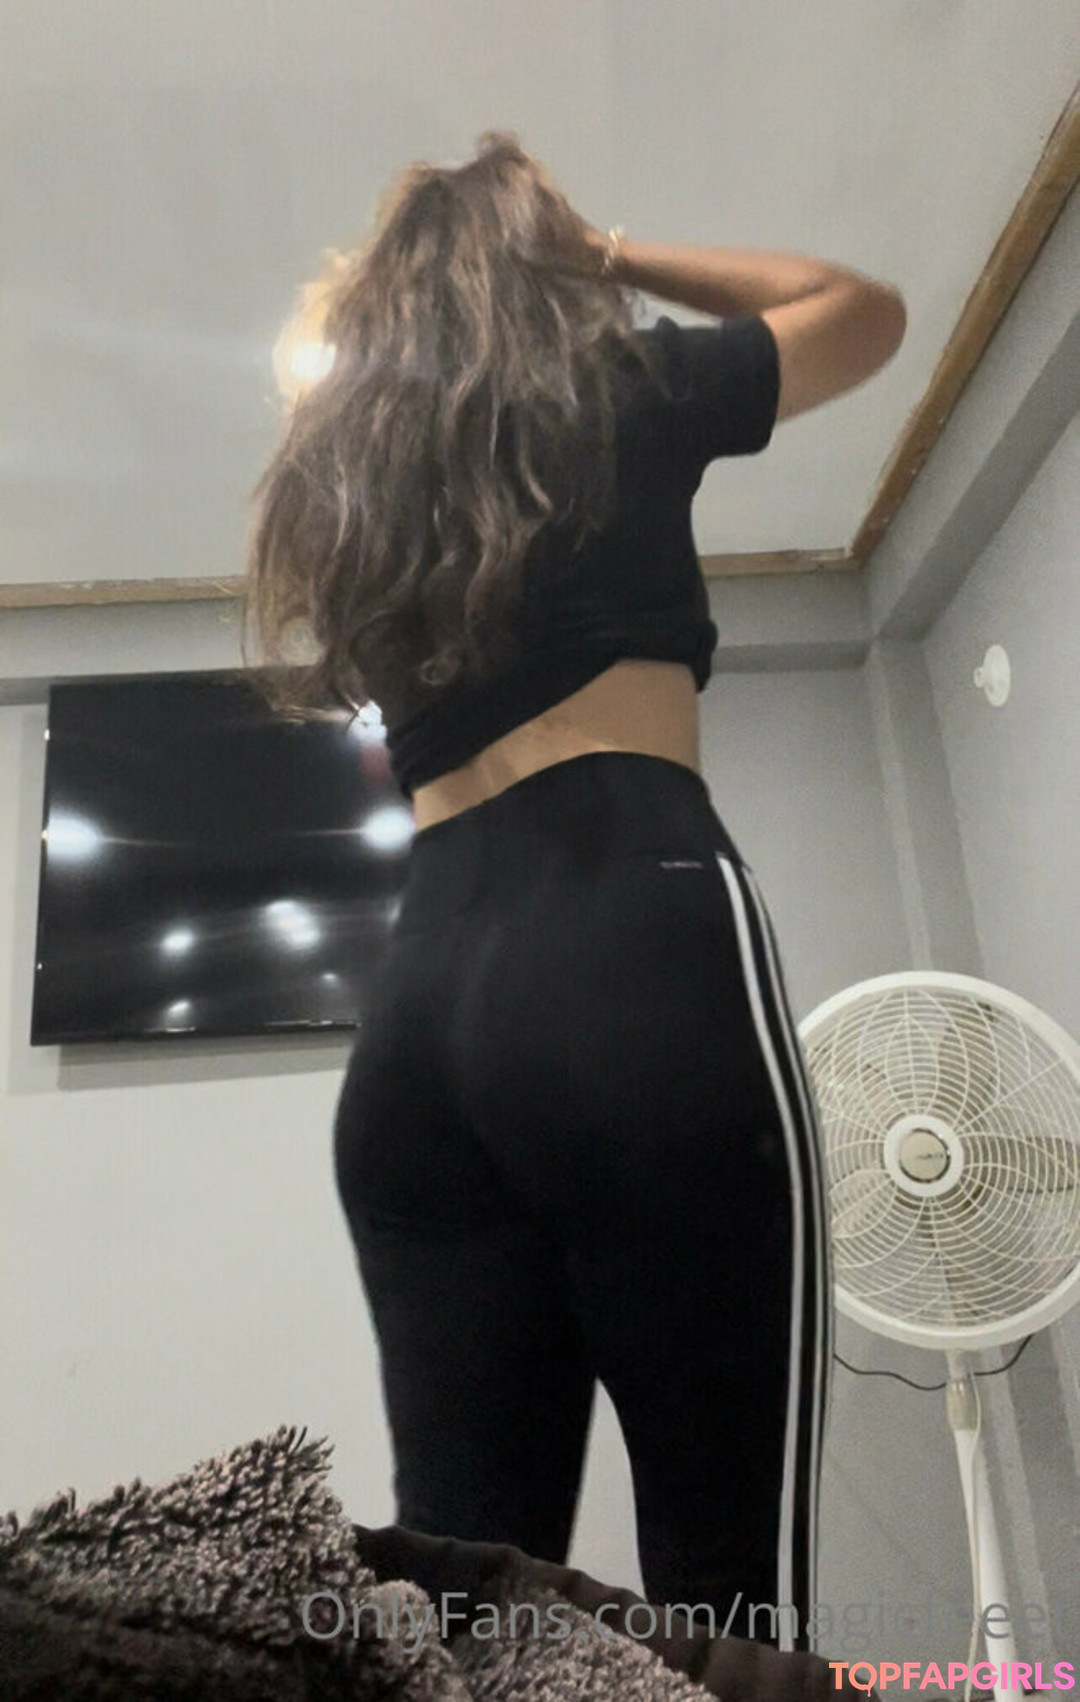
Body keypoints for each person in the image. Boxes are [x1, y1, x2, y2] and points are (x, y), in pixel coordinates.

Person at [243, 131, 907, 1655]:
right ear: (542, 268)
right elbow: (859, 311)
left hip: (417, 1020)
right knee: (733, 1604)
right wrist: (611, 255)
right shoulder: (623, 389)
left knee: (463, 1613)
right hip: (629, 945)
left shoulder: (351, 485)